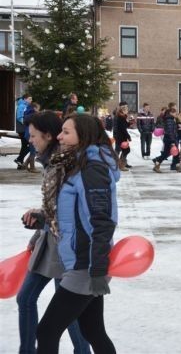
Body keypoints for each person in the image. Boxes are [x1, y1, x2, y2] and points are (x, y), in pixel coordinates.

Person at [35, 114, 118, 353]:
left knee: (47, 330)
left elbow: (102, 221)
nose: (59, 136)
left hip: (87, 263)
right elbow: (74, 212)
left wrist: (98, 269)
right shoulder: (77, 164)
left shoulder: (93, 169)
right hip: (81, 261)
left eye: (66, 132)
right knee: (92, 331)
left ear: (84, 135)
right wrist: (42, 219)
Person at [18, 111, 91, 354]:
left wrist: (42, 219)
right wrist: (38, 227)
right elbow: (53, 206)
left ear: (48, 136)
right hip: (49, 241)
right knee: (26, 298)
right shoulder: (50, 161)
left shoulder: (65, 164)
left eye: (33, 135)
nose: (30, 140)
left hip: (65, 246)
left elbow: (70, 210)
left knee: (67, 312)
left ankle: (82, 351)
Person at [152, 107, 181, 173]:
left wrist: (177, 127)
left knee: (174, 154)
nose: (176, 113)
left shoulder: (171, 119)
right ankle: (157, 164)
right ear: (171, 113)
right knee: (167, 154)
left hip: (169, 139)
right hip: (170, 139)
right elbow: (170, 131)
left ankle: (177, 167)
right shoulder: (169, 120)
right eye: (175, 112)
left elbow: (171, 129)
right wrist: (173, 142)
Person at [15, 94, 33, 170]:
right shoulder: (22, 106)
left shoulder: (25, 105)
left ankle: (20, 162)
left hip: (23, 128)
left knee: (25, 145)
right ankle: (19, 159)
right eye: (29, 99)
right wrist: (27, 122)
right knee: (30, 145)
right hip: (22, 129)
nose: (31, 100)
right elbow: (19, 117)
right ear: (25, 99)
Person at [113, 102, 131, 171]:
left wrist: (129, 123)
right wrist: (128, 136)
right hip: (120, 136)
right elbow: (122, 128)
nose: (127, 109)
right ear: (122, 109)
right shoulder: (120, 116)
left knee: (122, 150)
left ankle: (119, 164)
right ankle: (119, 165)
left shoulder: (122, 116)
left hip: (120, 135)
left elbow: (125, 125)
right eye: (126, 108)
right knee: (124, 150)